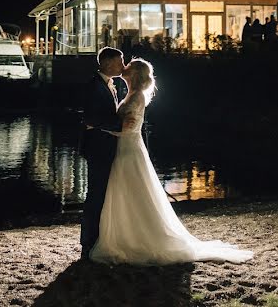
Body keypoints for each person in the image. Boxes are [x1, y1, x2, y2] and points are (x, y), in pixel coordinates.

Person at [88, 57, 253, 265]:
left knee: (131, 190)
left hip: (129, 149)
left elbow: (129, 128)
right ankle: (128, 233)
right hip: (125, 148)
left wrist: (97, 127)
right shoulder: (131, 94)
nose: (124, 68)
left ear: (135, 74)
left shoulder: (136, 97)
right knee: (127, 191)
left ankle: (136, 238)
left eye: (128, 67)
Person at [79, 47, 126, 259]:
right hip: (97, 147)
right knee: (95, 194)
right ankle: (88, 241)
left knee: (102, 193)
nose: (122, 66)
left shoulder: (109, 84)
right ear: (107, 64)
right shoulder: (94, 86)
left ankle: (98, 237)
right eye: (119, 62)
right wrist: (121, 125)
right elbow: (91, 118)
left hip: (105, 145)